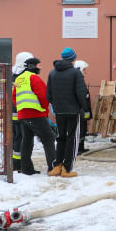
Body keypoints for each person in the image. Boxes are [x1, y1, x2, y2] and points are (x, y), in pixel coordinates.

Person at [46, 47, 89, 178]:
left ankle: (57, 166)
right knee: (72, 139)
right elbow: (81, 93)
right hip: (73, 111)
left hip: (59, 111)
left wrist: (56, 105)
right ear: (73, 58)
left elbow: (49, 95)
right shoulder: (76, 73)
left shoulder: (52, 73)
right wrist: (83, 108)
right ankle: (67, 169)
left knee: (60, 138)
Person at [11, 54, 56, 175]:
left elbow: (14, 96)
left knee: (27, 140)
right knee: (49, 138)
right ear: (32, 66)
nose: (39, 68)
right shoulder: (34, 78)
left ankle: (26, 169)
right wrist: (43, 108)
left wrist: (21, 109)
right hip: (35, 114)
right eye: (38, 65)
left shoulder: (19, 78)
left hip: (23, 115)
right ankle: (53, 168)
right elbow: (43, 96)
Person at [74, 60, 92, 154]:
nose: (86, 72)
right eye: (84, 69)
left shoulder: (80, 80)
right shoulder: (77, 80)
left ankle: (81, 147)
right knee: (79, 130)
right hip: (80, 111)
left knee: (83, 130)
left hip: (83, 111)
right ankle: (77, 149)